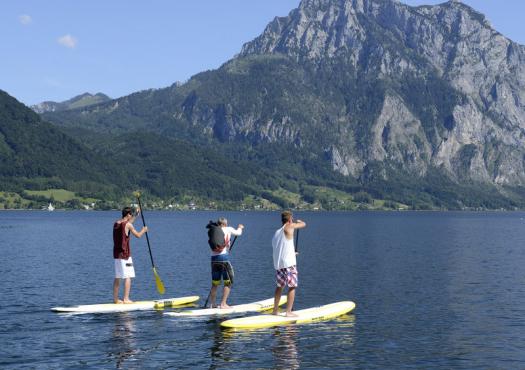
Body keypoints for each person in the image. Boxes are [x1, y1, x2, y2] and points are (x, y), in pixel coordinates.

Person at [272, 210, 306, 317]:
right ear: (290, 220)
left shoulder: (277, 233)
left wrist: (292, 253)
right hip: (289, 264)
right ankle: (288, 312)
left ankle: (275, 310)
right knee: (292, 286)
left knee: (279, 286)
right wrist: (299, 221)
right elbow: (303, 224)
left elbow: (281, 248)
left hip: (279, 264)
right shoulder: (290, 227)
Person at [113, 206, 148, 304]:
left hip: (116, 255)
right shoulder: (128, 225)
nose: (131, 216)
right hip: (125, 255)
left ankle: (116, 299)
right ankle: (126, 299)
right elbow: (138, 235)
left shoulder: (116, 223)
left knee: (118, 277)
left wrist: (136, 214)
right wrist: (144, 230)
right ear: (128, 215)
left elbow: (128, 223)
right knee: (128, 276)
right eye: (131, 215)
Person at [208, 217, 244, 308]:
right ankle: (223, 304)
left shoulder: (213, 231)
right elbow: (238, 233)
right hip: (223, 258)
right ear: (224, 224)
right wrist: (240, 227)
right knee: (228, 282)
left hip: (213, 259)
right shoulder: (228, 229)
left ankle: (212, 304)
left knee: (215, 283)